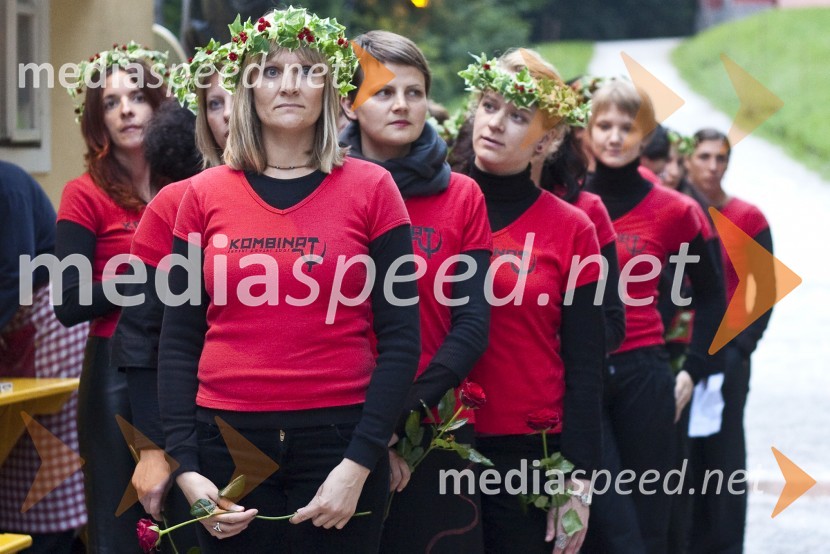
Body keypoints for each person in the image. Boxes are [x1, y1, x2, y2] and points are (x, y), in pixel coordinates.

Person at [156, 7, 420, 552]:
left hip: (341, 443)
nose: (290, 85)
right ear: (246, 88)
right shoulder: (203, 196)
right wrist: (186, 470)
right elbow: (178, 340)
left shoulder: (374, 189)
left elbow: (400, 339)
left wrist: (359, 464)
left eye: (308, 70)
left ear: (331, 88)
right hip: (225, 442)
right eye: (271, 71)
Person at [339, 30, 492, 553]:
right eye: (383, 92)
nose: (402, 105)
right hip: (339, 423)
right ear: (348, 102)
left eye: (414, 91)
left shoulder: (463, 195)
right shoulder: (323, 187)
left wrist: (397, 419)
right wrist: (369, 432)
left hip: (433, 422)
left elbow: (472, 326)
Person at [457, 49, 604, 554]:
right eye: (490, 105)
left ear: (547, 140)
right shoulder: (427, 207)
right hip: (432, 440)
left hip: (529, 450)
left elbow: (587, 364)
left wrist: (578, 479)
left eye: (517, 116)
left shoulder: (573, 229)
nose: (495, 123)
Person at [581, 81, 726, 554]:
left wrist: (694, 369)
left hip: (645, 372)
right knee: (595, 520)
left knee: (648, 521)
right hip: (579, 375)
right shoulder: (566, 201)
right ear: (587, 131)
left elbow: (711, 298)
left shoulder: (676, 210)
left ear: (646, 137)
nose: (615, 137)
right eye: (604, 125)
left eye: (628, 127)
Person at [54, 42, 168, 553]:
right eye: (111, 101)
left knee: (190, 516)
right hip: (114, 373)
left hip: (187, 362)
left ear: (159, 105)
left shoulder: (191, 183)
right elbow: (69, 300)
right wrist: (154, 278)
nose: (126, 109)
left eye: (138, 97)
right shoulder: (84, 194)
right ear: (98, 120)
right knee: (118, 522)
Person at [110, 98, 207, 552]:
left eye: (234, 101)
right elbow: (142, 332)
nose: (228, 114)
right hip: (187, 420)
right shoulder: (174, 202)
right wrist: (152, 448)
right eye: (216, 104)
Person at [685, 128, 773, 554]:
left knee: (724, 459)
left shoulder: (749, 219)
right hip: (683, 354)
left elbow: (761, 294)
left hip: (730, 358)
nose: (712, 167)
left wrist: (739, 350)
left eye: (720, 158)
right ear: (688, 160)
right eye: (704, 157)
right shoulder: (680, 212)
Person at [0, 161, 89, 554]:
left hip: (48, 318)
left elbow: (12, 278)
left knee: (46, 450)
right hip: (13, 327)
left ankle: (49, 542)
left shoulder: (8, 187)